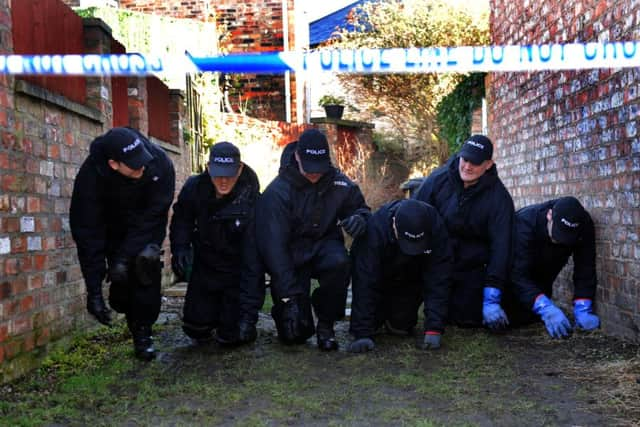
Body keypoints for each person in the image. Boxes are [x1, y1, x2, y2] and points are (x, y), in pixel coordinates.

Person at [256, 128, 371, 351]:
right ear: (297, 156)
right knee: (295, 334)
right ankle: (297, 311)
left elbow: (360, 208)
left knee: (340, 263)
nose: (314, 174)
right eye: (309, 168)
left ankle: (326, 324)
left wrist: (359, 219)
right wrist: (289, 296)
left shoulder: (338, 182)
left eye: (319, 168)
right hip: (290, 253)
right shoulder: (277, 193)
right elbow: (274, 249)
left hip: (325, 244)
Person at [70, 127, 175, 361]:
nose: (142, 167)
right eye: (134, 165)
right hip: (112, 228)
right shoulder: (91, 178)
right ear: (113, 164)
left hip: (147, 226)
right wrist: (94, 291)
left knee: (144, 265)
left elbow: (154, 215)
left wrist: (124, 258)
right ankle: (121, 301)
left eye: (142, 160)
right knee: (121, 289)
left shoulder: (159, 163)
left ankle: (143, 335)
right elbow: (88, 233)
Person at [413, 134, 514, 330]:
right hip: (435, 258)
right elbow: (415, 214)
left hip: (471, 266)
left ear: (488, 165)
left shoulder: (500, 199)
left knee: (466, 320)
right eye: (465, 159)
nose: (467, 166)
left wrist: (492, 293)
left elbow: (502, 246)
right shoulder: (438, 179)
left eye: (475, 163)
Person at [169, 142, 263, 346]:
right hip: (206, 265)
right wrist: (180, 248)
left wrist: (249, 316)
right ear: (208, 167)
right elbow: (182, 219)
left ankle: (233, 318)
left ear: (239, 169)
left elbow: (253, 263)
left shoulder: (252, 199)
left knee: (232, 336)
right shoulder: (194, 188)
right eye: (218, 174)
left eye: (229, 174)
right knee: (196, 329)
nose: (223, 181)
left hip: (236, 272)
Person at [348, 199, 453, 353]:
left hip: (410, 280)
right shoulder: (375, 229)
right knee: (372, 323)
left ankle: (396, 315)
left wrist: (434, 328)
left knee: (401, 327)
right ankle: (374, 319)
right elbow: (365, 281)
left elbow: (439, 278)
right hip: (380, 278)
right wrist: (362, 332)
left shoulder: (436, 227)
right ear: (394, 224)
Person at [507, 196, 600, 338]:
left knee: (531, 320)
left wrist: (583, 306)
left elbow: (585, 266)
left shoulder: (584, 224)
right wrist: (544, 307)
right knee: (509, 321)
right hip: (512, 281)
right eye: (557, 235)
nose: (558, 241)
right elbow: (516, 273)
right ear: (549, 215)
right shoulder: (524, 223)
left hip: (544, 279)